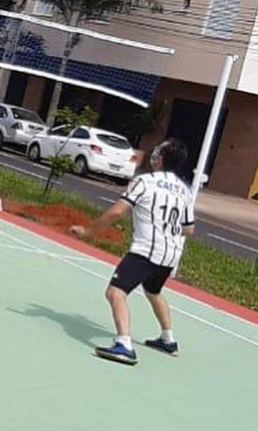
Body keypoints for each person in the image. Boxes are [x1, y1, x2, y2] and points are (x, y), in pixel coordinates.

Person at [70, 138, 194, 366]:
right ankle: (168, 340)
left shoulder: (145, 182)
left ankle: (124, 345)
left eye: (157, 150)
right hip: (170, 255)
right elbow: (189, 229)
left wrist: (88, 232)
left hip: (146, 250)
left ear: (160, 158)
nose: (153, 153)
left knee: (115, 292)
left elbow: (117, 212)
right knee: (153, 290)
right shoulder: (184, 191)